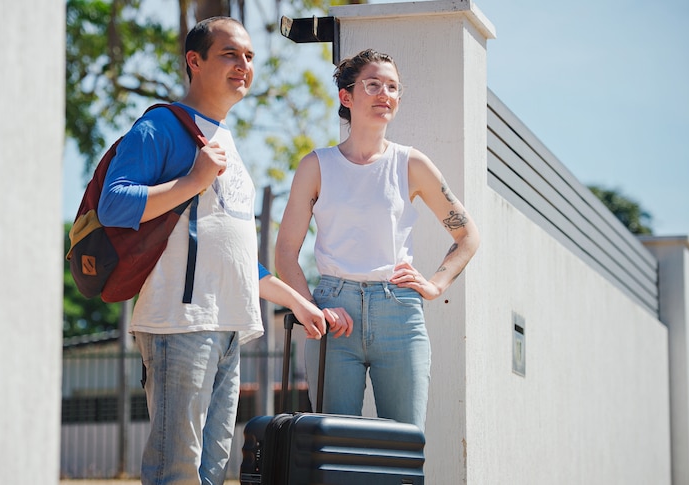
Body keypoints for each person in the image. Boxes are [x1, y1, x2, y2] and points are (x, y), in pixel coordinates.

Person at [97, 17, 334, 485]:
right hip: (180, 325)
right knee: (176, 470)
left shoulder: (225, 139)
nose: (243, 65)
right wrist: (192, 181)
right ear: (195, 61)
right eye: (230, 54)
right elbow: (113, 203)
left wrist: (298, 302)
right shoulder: (161, 125)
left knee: (209, 472)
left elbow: (239, 254)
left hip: (229, 327)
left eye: (248, 56)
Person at [275, 48, 480, 431]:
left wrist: (435, 285)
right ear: (346, 96)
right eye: (373, 85)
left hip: (399, 313)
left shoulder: (411, 163)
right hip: (335, 312)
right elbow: (286, 252)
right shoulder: (316, 165)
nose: (385, 93)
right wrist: (312, 310)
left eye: (392, 87)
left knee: (404, 446)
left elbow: (467, 234)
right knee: (335, 450)